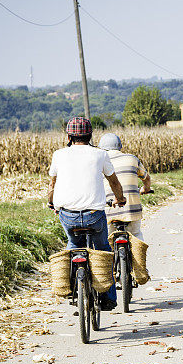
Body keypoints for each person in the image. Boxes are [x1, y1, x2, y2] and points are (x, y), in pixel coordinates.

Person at [48, 117, 126, 311]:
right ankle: (108, 296)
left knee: (74, 245)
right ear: (91, 136)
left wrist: (51, 202)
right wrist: (121, 198)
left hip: (68, 215)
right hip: (94, 214)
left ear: (68, 136)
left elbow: (52, 184)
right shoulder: (100, 155)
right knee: (102, 250)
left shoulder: (59, 154)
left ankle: (73, 287)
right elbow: (114, 183)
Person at [98, 132, 152, 241]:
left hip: (108, 210)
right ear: (120, 146)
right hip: (132, 211)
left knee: (107, 242)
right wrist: (146, 189)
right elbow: (146, 178)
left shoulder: (99, 161)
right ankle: (139, 257)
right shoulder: (132, 159)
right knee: (136, 236)